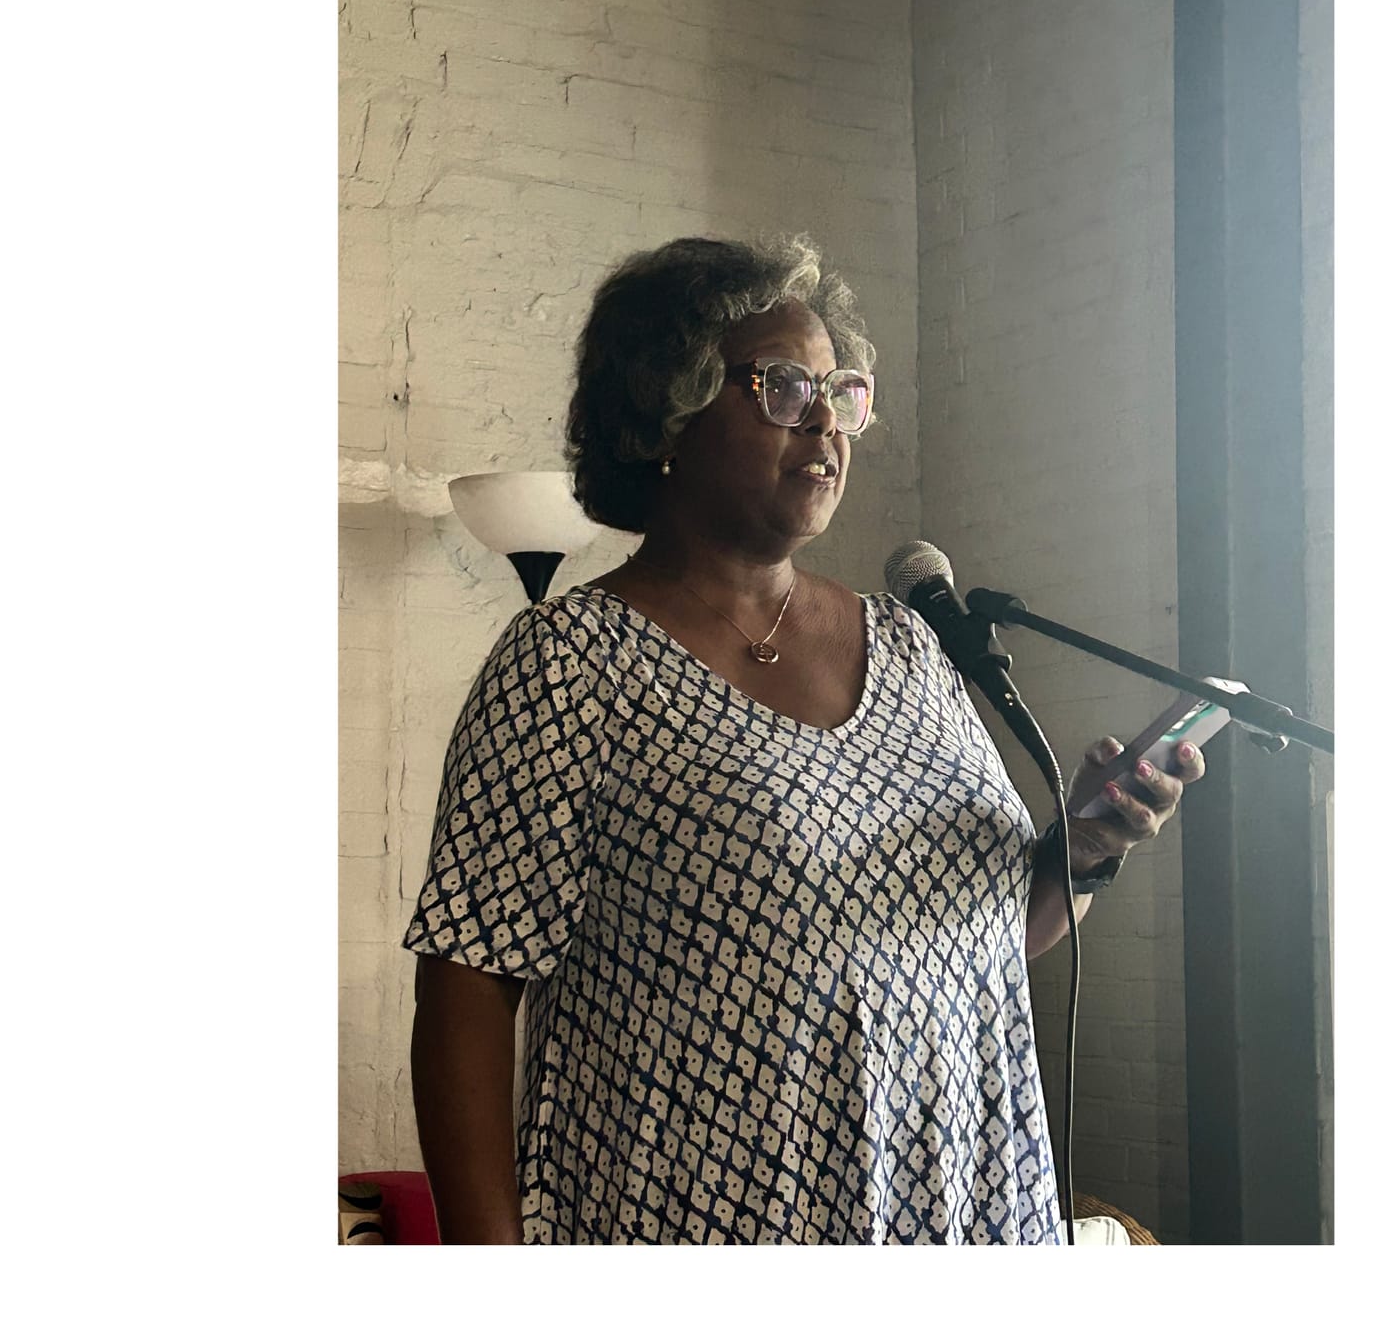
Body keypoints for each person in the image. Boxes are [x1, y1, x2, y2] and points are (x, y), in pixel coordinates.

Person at [403, 235, 1205, 1244]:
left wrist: (1085, 848)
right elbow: (468, 986)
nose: (827, 420)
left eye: (844, 390)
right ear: (668, 407)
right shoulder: (568, 663)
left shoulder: (910, 646)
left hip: (962, 1210)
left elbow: (976, 941)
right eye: (783, 387)